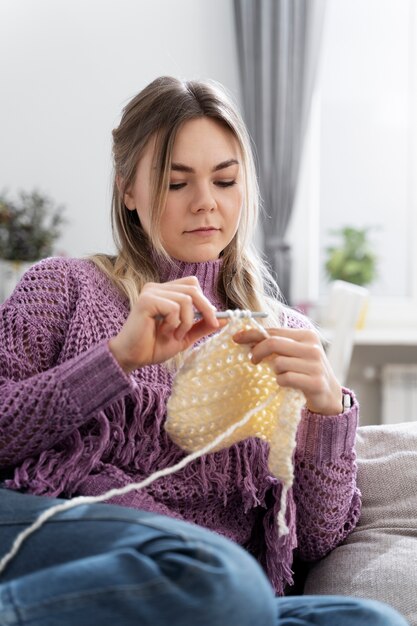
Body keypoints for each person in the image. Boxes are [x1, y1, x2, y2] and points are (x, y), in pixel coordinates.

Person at [0, 76, 408, 626]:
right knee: (217, 574)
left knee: (366, 620)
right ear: (128, 190)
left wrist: (327, 414)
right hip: (84, 539)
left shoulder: (281, 331)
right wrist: (115, 361)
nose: (205, 204)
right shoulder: (65, 286)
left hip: (217, 594)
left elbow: (312, 540)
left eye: (225, 180)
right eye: (176, 183)